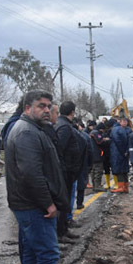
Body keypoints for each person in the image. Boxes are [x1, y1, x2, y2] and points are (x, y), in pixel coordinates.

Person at [5, 90, 68, 264]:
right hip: (34, 207)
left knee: (33, 252)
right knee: (48, 254)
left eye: (49, 106)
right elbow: (31, 174)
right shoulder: (26, 132)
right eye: (41, 106)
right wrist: (48, 203)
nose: (47, 110)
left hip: (29, 205)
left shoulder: (33, 129)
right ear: (27, 108)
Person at [54, 101, 82, 239]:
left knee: (65, 202)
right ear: (72, 112)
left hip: (68, 170)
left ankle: (63, 229)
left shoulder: (63, 124)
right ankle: (61, 232)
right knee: (64, 202)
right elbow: (60, 150)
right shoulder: (64, 127)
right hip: (66, 172)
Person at [110, 117, 130, 193]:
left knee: (119, 170)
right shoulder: (127, 130)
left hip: (118, 153)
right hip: (124, 152)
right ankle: (125, 187)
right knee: (124, 170)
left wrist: (123, 151)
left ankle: (121, 187)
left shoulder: (115, 129)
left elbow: (118, 141)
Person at [89, 123, 107, 192]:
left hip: (92, 154)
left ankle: (94, 185)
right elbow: (100, 142)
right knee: (98, 171)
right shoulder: (96, 133)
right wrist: (106, 140)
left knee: (93, 171)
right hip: (97, 154)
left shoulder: (92, 132)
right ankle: (97, 186)